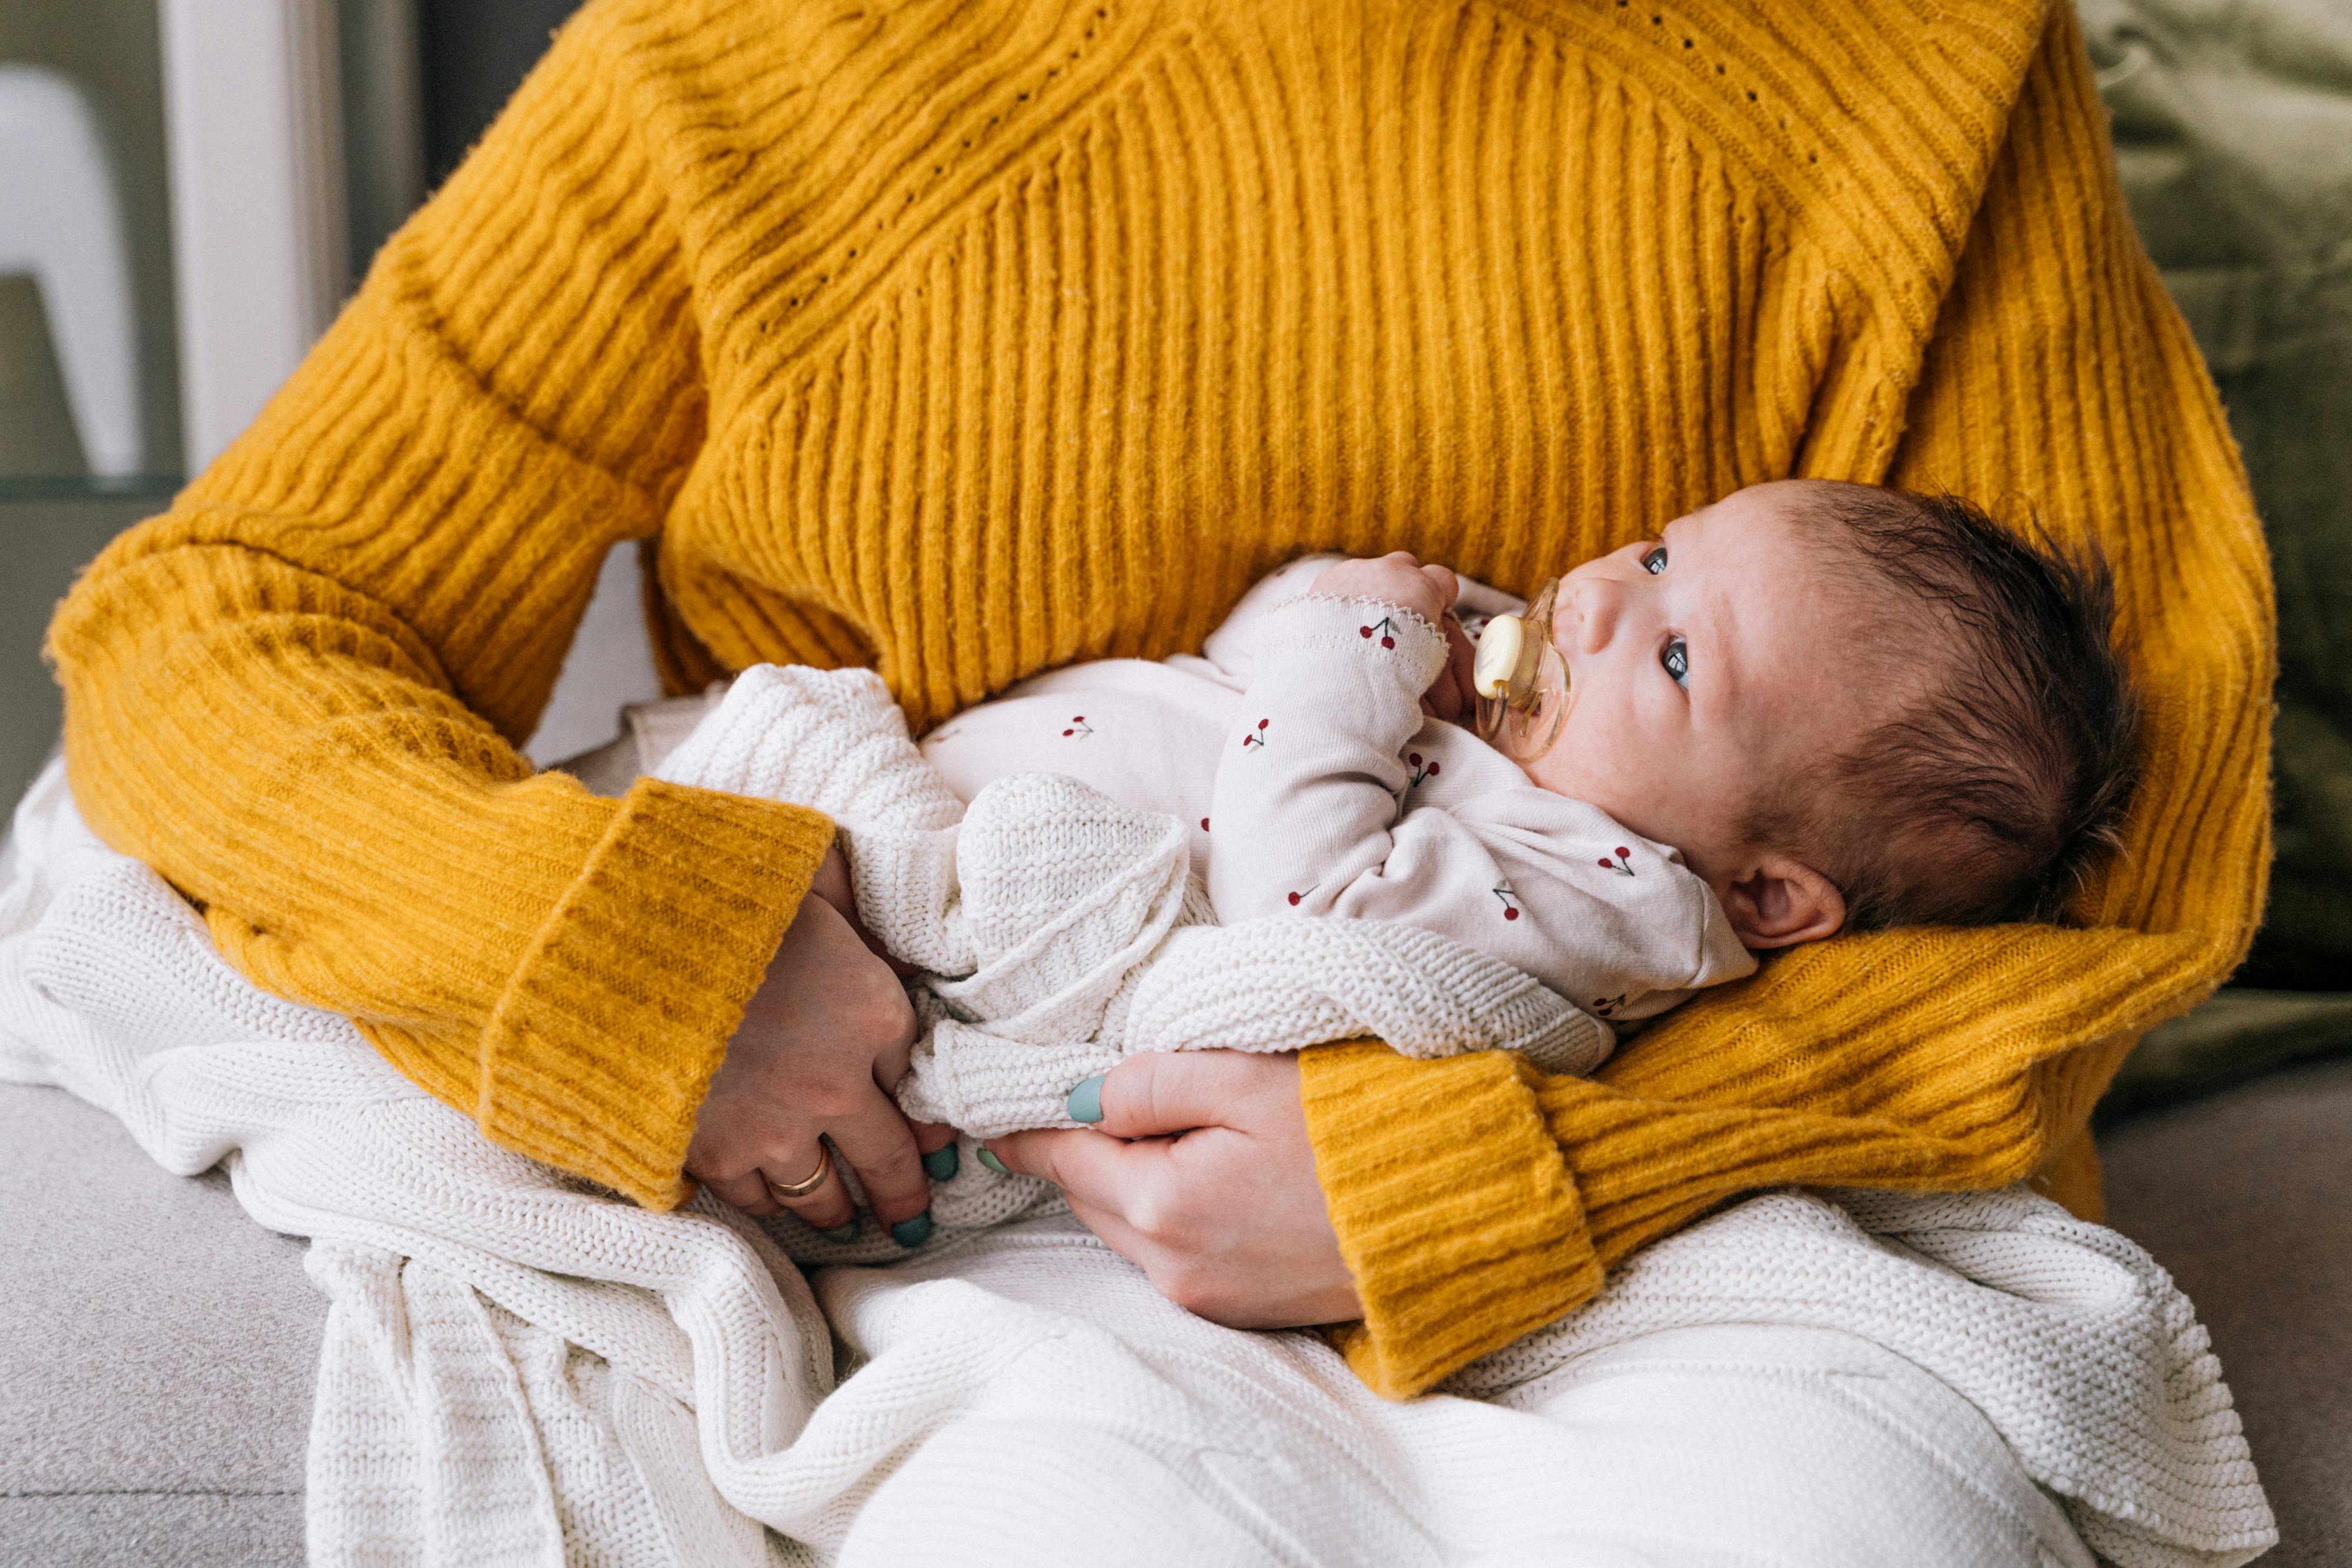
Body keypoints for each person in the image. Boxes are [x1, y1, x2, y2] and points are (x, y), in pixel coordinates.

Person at [44, 0, 2270, 1554]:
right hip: (961, 1151)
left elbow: (2116, 876)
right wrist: (636, 960)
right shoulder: (747, 57)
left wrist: (1499, 1169)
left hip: (1664, 1187)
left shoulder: (1921, 59)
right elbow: (224, 605)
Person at [641, 478, 2136, 1218]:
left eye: (1677, 660)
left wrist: (1353, 658)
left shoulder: (1595, 898)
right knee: (647, 864)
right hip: (896, 813)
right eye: (1661, 551)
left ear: (1764, 891)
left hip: (972, 939)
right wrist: (1353, 620)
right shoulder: (1528, 724)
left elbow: (1295, 897)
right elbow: (1252, 672)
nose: (1605, 597)